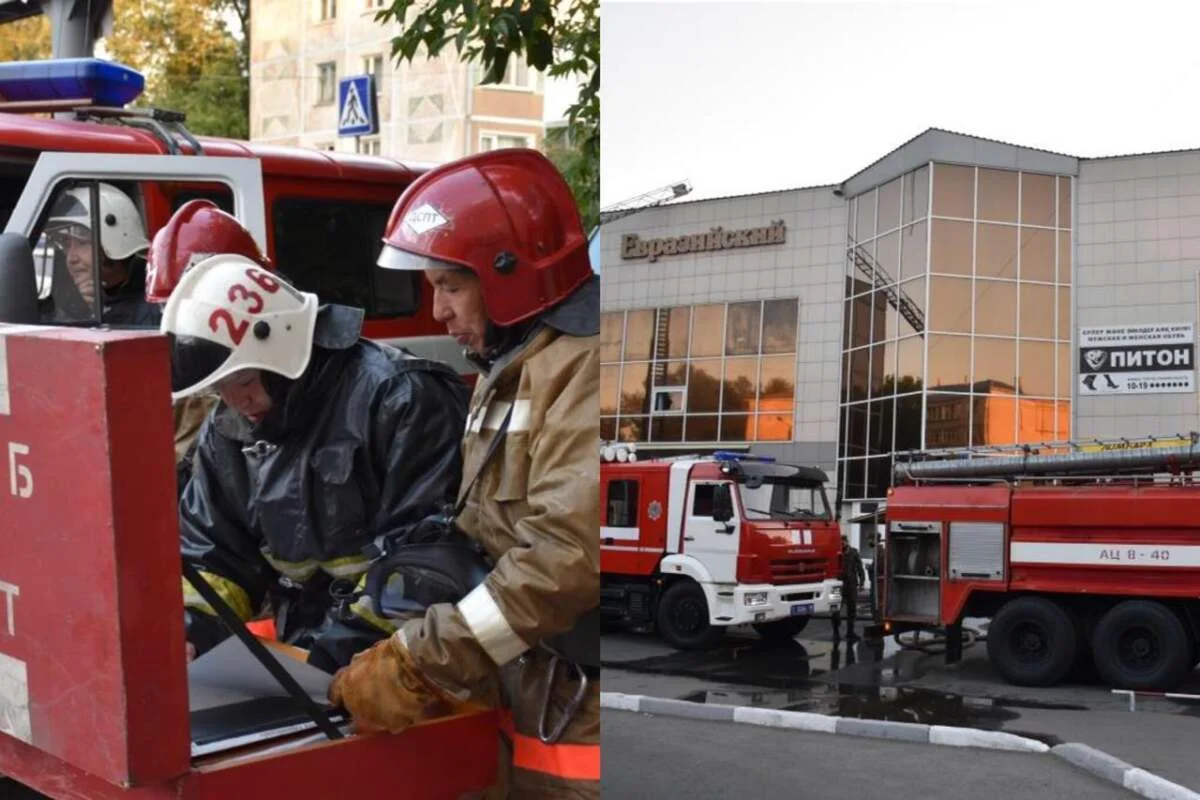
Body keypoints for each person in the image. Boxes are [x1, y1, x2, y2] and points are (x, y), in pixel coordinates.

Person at [327, 149, 601, 798]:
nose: (438, 311)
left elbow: (564, 556)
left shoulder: (582, 368)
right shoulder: (512, 359)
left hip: (573, 711)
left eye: (450, 285)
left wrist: (420, 659)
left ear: (507, 275)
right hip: (521, 689)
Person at [158, 238, 470, 669]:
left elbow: (427, 556)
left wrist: (332, 656)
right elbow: (215, 554)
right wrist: (192, 628)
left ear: (284, 350)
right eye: (220, 389)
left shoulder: (401, 397)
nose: (236, 402)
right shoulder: (230, 427)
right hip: (307, 658)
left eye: (245, 380)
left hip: (399, 663)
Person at [42, 182, 160, 326]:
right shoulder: (62, 306)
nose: (71, 258)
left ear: (116, 242)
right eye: (66, 245)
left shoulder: (153, 313)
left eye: (83, 243)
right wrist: (75, 315)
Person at [832, 534, 866, 641]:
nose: (842, 543)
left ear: (847, 541)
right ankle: (836, 632)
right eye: (841, 541)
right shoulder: (835, 552)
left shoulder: (854, 552)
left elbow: (860, 567)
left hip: (851, 584)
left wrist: (862, 581)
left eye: (844, 541)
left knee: (852, 609)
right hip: (836, 584)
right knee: (835, 609)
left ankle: (850, 632)